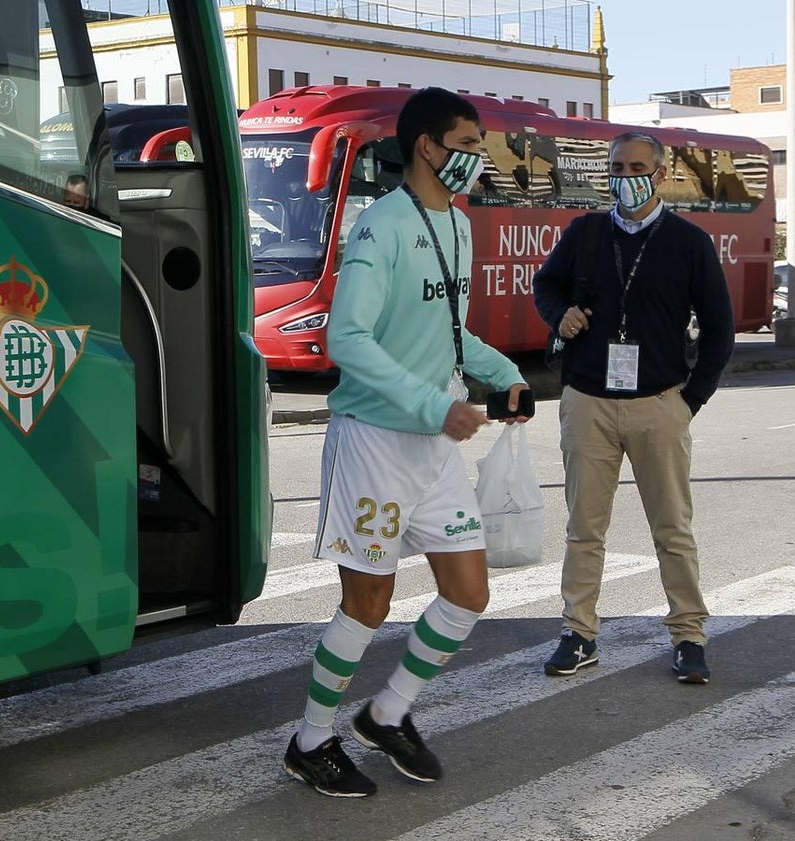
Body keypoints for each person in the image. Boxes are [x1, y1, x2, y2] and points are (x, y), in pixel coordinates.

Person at [284, 87, 531, 799]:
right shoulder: (380, 227)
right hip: (373, 442)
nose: (478, 159)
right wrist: (433, 403)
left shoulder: (459, 225)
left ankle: (387, 713)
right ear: (427, 145)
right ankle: (310, 741)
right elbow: (346, 338)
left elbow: (452, 333)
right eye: (468, 145)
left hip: (432, 444)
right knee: (369, 603)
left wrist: (505, 375)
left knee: (469, 593)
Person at [532, 130, 734, 684]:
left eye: (637, 168)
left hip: (660, 403)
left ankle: (689, 635)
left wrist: (690, 400)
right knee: (584, 528)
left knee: (672, 529)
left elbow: (719, 329)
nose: (626, 178)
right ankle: (578, 633)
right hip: (588, 402)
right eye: (617, 168)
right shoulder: (586, 233)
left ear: (661, 174)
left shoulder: (689, 242)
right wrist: (560, 316)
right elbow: (546, 287)